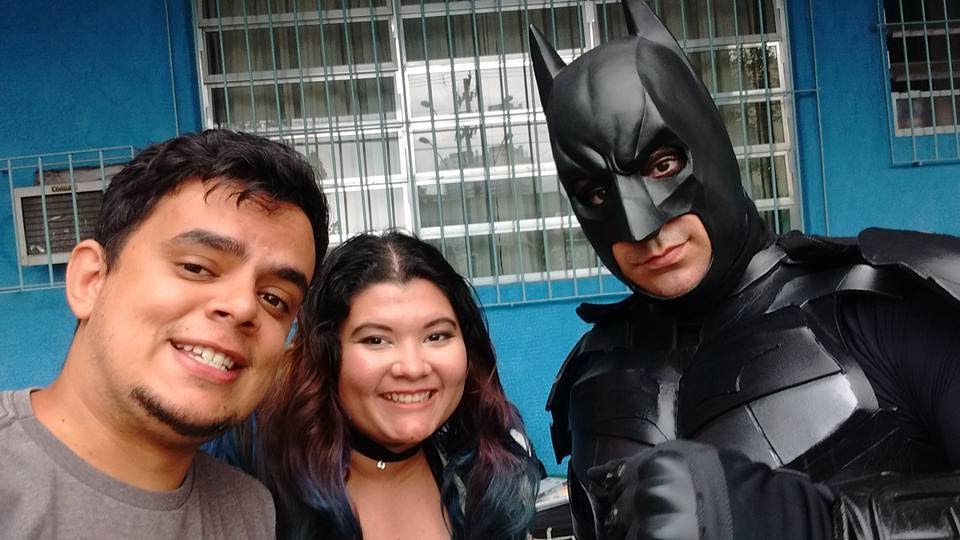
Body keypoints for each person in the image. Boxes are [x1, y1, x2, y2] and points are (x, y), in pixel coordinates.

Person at [528, 1, 960, 539]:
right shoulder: (593, 372)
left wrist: (815, 523)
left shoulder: (885, 306)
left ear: (709, 144)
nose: (640, 228)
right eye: (596, 193)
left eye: (662, 165)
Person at [0, 129, 328, 539]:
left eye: (275, 299)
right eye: (196, 267)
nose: (244, 307)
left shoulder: (248, 511)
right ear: (91, 280)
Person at [246, 231, 541, 539]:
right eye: (376, 340)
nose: (412, 368)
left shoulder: (488, 478)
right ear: (326, 356)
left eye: (436, 336)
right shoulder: (255, 479)